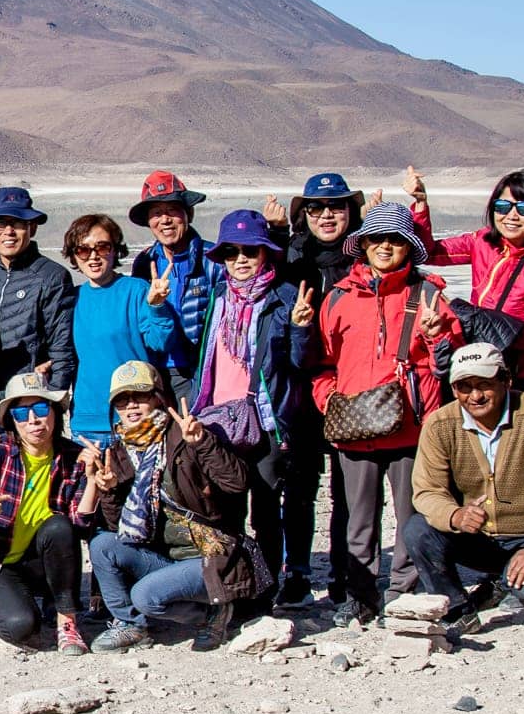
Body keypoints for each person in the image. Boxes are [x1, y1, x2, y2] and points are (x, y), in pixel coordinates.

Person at [311, 203, 464, 626]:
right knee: (358, 521)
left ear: (408, 247)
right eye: (376, 239)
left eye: (395, 240)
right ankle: (361, 597)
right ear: (362, 245)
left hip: (411, 427)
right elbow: (323, 362)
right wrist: (329, 398)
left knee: (410, 517)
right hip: (353, 425)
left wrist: (437, 339)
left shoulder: (428, 296)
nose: (384, 247)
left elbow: (449, 367)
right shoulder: (339, 298)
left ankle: (402, 594)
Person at [404, 344, 524, 638]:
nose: (475, 396)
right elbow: (427, 490)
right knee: (418, 530)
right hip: (481, 539)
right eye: (464, 387)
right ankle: (459, 611)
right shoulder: (440, 424)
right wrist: (455, 515)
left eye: (484, 384)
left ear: (506, 380)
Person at [186, 210, 318, 603]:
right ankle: (234, 587)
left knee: (265, 509)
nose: (241, 259)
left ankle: (266, 589)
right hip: (220, 420)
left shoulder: (284, 298)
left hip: (265, 420)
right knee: (226, 510)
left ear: (266, 253)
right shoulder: (219, 297)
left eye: (250, 251)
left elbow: (300, 363)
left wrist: (301, 328)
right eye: (231, 252)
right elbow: (207, 359)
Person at [87, 362, 259, 651]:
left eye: (140, 396)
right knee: (102, 544)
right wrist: (109, 490)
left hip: (210, 555)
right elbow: (120, 528)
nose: (131, 406)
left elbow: (237, 483)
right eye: (122, 400)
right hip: (164, 556)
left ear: (158, 397)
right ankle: (131, 625)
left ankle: (213, 614)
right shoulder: (120, 452)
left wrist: (203, 444)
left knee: (145, 596)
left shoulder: (184, 435)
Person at [0, 373, 105, 652]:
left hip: (43, 559)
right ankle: (4, 607)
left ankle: (67, 621)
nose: (33, 420)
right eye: (21, 413)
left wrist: (92, 482)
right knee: (21, 627)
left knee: (60, 526)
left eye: (41, 409)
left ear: (55, 412)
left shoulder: (74, 457)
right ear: (11, 421)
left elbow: (80, 525)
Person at [262, 172, 368, 606]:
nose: (326, 215)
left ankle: (346, 571)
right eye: (316, 208)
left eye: (336, 207)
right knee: (300, 486)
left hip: (351, 384)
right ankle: (298, 572)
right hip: (301, 388)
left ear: (351, 212)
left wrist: (381, 219)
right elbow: (265, 278)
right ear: (303, 214)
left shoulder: (364, 255)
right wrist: (276, 233)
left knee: (348, 486)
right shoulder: (293, 253)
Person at [405, 166, 524, 397]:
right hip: (483, 367)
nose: (511, 216)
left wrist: (475, 321)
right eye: (503, 206)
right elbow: (428, 252)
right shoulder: (483, 242)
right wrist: (421, 203)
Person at [61, 211, 181, 445]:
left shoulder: (135, 290)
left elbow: (161, 342)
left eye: (102, 247)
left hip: (137, 419)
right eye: (83, 250)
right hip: (88, 422)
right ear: (74, 256)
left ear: (115, 249)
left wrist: (157, 306)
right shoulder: (72, 299)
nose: (93, 257)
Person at [0, 189, 76, 390]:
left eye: (18, 223)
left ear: (32, 228)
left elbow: (61, 345)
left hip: (26, 391)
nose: (8, 231)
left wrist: (55, 396)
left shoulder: (51, 276)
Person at [127, 171, 225, 394]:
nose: (165, 220)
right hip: (155, 368)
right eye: (156, 213)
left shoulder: (213, 259)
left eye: (172, 210)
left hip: (202, 369)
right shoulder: (145, 262)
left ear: (188, 214)